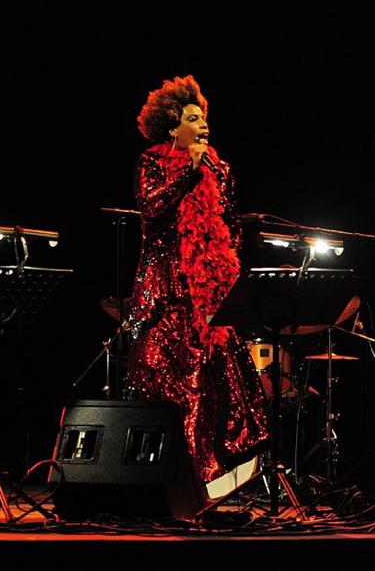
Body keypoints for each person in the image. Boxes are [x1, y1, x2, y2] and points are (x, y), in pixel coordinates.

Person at [126, 75, 268, 483]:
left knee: (217, 385)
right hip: (165, 290)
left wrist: (226, 276)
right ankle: (162, 478)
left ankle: (215, 480)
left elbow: (232, 228)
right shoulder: (151, 164)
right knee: (166, 382)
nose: (204, 124)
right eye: (193, 118)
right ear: (173, 128)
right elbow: (152, 206)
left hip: (207, 293)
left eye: (204, 118)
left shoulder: (220, 170)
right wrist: (188, 171)